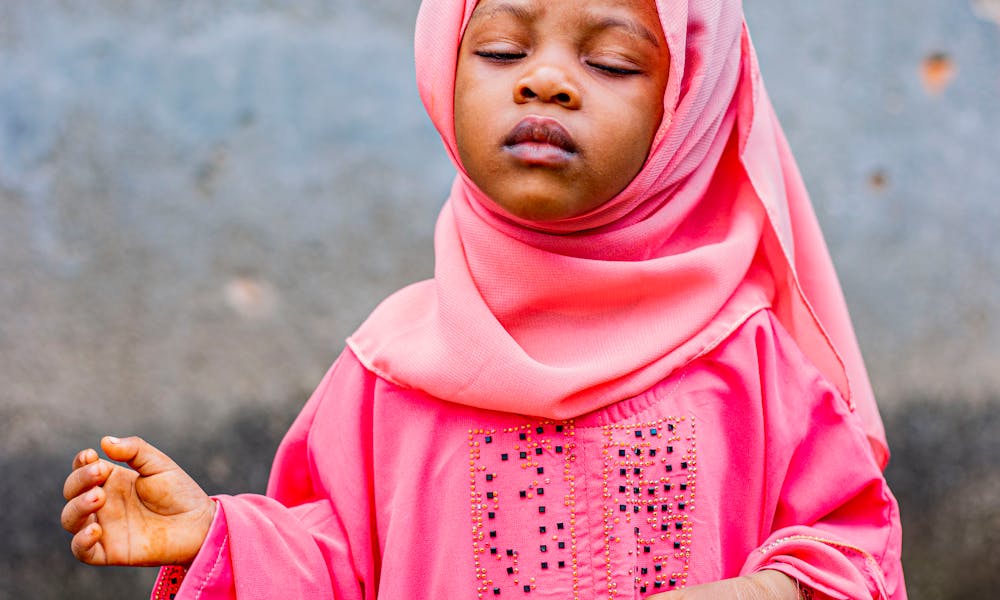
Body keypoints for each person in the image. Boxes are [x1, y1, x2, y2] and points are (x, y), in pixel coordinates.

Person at [60, 0, 907, 597]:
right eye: (502, 49)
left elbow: (854, 547)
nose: (546, 81)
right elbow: (340, 568)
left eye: (610, 60)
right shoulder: (390, 370)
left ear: (685, 107)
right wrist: (218, 538)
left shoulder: (749, 360)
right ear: (444, 70)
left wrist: (773, 591)